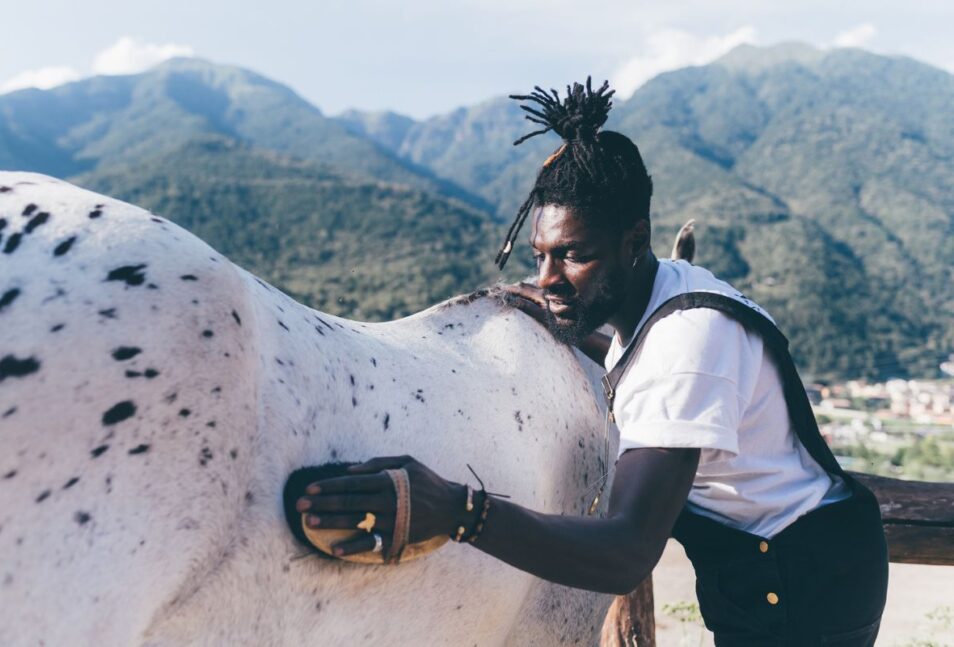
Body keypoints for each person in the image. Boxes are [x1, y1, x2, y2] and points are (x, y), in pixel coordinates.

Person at [295, 78, 889, 645]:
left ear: (635, 241)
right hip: (773, 564)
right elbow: (639, 360)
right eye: (540, 256)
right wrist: (564, 317)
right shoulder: (667, 293)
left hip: (803, 583)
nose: (548, 279)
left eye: (573, 256)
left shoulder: (687, 345)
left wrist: (457, 511)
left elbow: (625, 553)